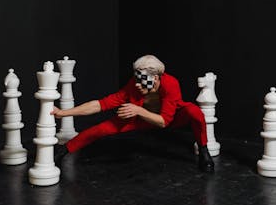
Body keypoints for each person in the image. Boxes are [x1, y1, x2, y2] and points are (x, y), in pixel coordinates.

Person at [51, 54, 215, 172]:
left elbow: (164, 122)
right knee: (101, 129)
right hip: (140, 119)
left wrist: (138, 109)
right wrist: (64, 113)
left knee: (195, 112)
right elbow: (100, 104)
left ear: (157, 78)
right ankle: (63, 151)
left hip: (170, 118)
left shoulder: (170, 84)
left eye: (142, 80)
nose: (137, 85)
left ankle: (204, 151)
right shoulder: (134, 84)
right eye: (136, 79)